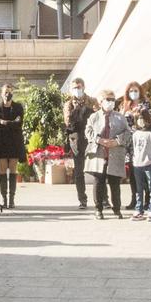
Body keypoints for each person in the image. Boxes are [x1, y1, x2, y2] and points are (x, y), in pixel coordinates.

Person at [85, 90, 128, 219]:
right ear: (100, 101)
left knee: (115, 182)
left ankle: (116, 209)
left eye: (112, 99)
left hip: (114, 153)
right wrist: (99, 140)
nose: (110, 102)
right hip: (99, 153)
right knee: (99, 181)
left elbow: (127, 132)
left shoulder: (120, 117)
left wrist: (117, 141)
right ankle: (98, 209)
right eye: (107, 99)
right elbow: (88, 131)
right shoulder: (94, 117)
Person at [0, 83, 26, 209]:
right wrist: (10, 123)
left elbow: (19, 123)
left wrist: (4, 122)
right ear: (1, 93)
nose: (7, 94)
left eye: (10, 91)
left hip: (15, 143)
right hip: (1, 143)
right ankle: (4, 199)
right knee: (2, 171)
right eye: (5, 92)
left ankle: (12, 199)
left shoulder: (18, 107)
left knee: (13, 170)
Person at [63, 79, 95, 210]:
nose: (77, 89)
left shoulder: (92, 101)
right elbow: (67, 121)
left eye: (79, 87)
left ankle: (102, 199)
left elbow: (97, 116)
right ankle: (82, 199)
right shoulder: (69, 103)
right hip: (76, 139)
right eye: (75, 87)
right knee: (79, 172)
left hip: (91, 138)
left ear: (84, 87)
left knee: (97, 170)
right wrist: (76, 110)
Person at [127, 107, 151, 220]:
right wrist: (133, 159)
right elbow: (132, 147)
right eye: (138, 118)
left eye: (142, 118)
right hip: (137, 164)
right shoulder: (135, 132)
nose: (140, 120)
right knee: (138, 189)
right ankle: (139, 209)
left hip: (150, 164)